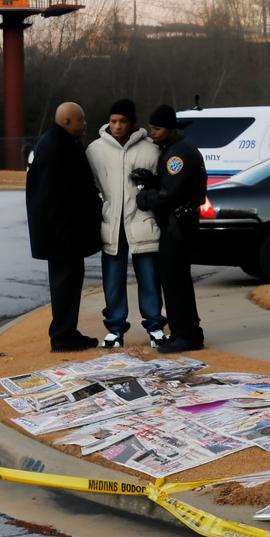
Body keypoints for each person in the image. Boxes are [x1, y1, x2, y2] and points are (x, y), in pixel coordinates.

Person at [86, 98, 167, 349]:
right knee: (112, 278)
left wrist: (149, 187)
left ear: (132, 123)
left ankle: (155, 327)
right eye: (113, 121)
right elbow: (93, 186)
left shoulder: (152, 150)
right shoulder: (94, 150)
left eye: (122, 121)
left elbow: (162, 186)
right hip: (112, 223)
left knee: (149, 277)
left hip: (142, 222)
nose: (117, 126)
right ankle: (115, 329)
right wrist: (103, 206)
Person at [25, 102, 103, 352]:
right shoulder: (55, 147)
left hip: (62, 235)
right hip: (61, 237)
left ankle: (66, 331)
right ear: (66, 122)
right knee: (65, 286)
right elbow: (53, 197)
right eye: (80, 119)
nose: (85, 123)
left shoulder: (58, 143)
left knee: (67, 285)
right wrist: (68, 236)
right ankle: (62, 336)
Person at [134, 104, 207, 352]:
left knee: (174, 279)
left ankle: (185, 335)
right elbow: (173, 184)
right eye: (151, 127)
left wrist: (146, 197)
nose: (152, 132)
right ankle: (187, 332)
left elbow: (170, 194)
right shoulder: (177, 147)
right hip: (181, 221)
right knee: (176, 279)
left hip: (179, 224)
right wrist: (152, 179)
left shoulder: (178, 153)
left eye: (156, 128)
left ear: (169, 128)